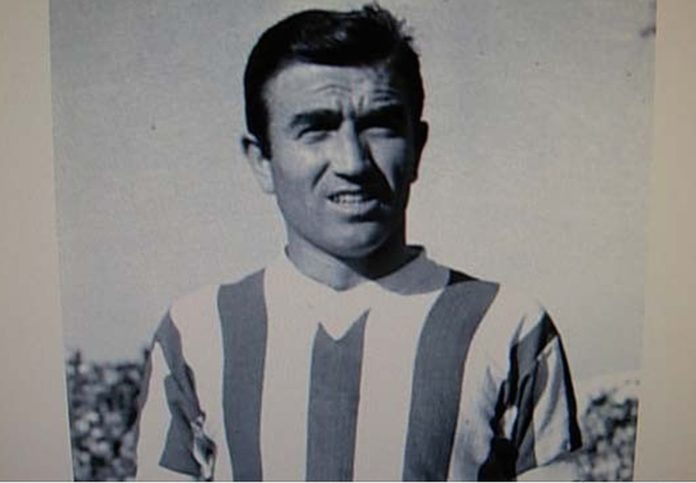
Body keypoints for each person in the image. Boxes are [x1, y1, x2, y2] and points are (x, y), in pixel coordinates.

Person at [134, 4, 581, 481]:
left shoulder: (510, 327)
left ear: (418, 147)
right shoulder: (196, 333)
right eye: (316, 129)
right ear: (261, 159)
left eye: (380, 125)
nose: (352, 161)